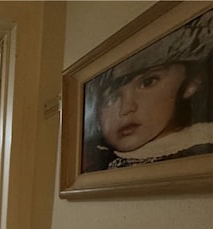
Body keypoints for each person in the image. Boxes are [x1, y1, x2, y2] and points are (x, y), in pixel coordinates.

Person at [82, 9, 213, 171]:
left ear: (191, 83)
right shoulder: (96, 162)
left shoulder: (199, 151)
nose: (126, 108)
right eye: (111, 98)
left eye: (148, 82)